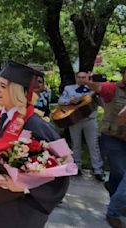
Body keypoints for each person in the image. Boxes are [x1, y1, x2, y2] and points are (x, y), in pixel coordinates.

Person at [0, 61, 69, 228]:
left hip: (18, 213)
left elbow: (61, 172)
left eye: (3, 86)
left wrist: (24, 186)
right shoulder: (0, 119)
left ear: (16, 91)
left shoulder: (36, 125)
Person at [81, 67, 126, 228]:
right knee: (120, 173)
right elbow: (97, 87)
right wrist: (88, 81)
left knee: (118, 174)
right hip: (113, 138)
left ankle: (114, 195)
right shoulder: (111, 88)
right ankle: (114, 211)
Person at [58, 71, 105, 181]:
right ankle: (77, 167)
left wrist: (97, 95)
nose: (81, 79)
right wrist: (71, 100)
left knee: (93, 145)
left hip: (90, 120)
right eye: (79, 77)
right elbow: (61, 101)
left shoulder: (94, 89)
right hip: (74, 120)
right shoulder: (69, 88)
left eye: (84, 77)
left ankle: (98, 170)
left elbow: (103, 104)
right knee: (76, 144)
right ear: (76, 77)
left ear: (88, 78)